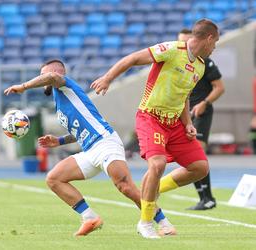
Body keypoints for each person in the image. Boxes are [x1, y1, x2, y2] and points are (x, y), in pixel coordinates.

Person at [4, 59, 175, 237]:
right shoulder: (59, 99)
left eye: (44, 75)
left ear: (57, 74)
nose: (43, 79)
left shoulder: (65, 85)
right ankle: (90, 217)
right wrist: (60, 141)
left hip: (105, 142)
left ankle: (164, 223)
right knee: (54, 179)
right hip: (90, 150)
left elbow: (52, 76)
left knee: (125, 187)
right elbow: (81, 130)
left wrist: (23, 86)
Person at [91, 19, 219, 239]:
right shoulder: (170, 49)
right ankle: (146, 222)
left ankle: (154, 186)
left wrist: (187, 122)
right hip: (151, 117)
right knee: (157, 163)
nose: (215, 47)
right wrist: (107, 78)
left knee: (200, 167)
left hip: (175, 123)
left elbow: (184, 97)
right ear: (208, 38)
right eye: (215, 42)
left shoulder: (199, 65)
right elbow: (132, 59)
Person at [178, 28, 225, 210]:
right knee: (190, 157)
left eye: (185, 40)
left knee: (197, 153)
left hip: (201, 112)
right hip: (185, 113)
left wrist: (204, 103)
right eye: (180, 41)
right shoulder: (178, 60)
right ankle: (204, 198)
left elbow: (220, 87)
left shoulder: (205, 62)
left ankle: (208, 198)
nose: (183, 44)